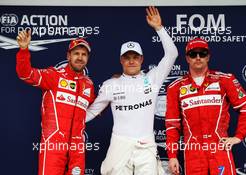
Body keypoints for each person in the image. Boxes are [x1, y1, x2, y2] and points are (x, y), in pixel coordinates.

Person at [85, 6, 178, 175]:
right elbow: (91, 112)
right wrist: (65, 124)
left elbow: (172, 54)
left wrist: (159, 28)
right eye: (127, 58)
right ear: (121, 60)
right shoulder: (110, 85)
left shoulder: (152, 79)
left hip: (146, 145)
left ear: (142, 59)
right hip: (120, 144)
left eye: (135, 57)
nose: (131, 61)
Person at [165, 37, 246, 175]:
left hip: (219, 149)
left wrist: (238, 136)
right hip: (193, 152)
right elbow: (172, 125)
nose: (198, 57)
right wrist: (172, 156)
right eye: (193, 54)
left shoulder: (224, 80)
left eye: (202, 53)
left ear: (208, 57)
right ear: (187, 58)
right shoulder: (175, 87)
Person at [16, 30, 95, 175]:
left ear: (88, 59)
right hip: (53, 144)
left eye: (84, 55)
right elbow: (25, 74)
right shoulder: (54, 75)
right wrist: (23, 50)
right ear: (68, 56)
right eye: (76, 53)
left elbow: (96, 106)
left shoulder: (88, 84)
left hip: (77, 148)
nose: (80, 58)